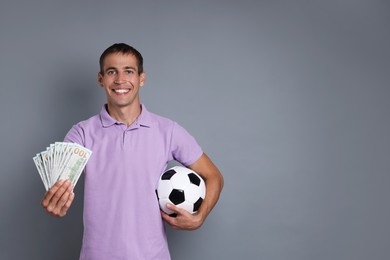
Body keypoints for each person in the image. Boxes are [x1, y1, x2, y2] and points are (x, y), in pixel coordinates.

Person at [41, 43, 224, 259]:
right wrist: (56, 203)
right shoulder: (81, 133)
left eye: (128, 71)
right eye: (111, 72)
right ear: (101, 79)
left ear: (141, 78)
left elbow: (214, 176)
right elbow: (60, 185)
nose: (120, 80)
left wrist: (199, 217)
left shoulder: (168, 131)